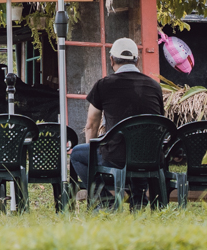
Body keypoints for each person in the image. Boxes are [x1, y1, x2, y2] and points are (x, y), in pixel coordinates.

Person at [70, 37, 165, 187]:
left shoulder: (103, 85)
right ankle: (138, 199)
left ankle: (104, 197)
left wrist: (93, 153)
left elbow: (91, 125)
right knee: (133, 153)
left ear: (112, 60)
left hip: (116, 158)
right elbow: (159, 122)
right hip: (149, 156)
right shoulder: (155, 86)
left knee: (76, 154)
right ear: (137, 61)